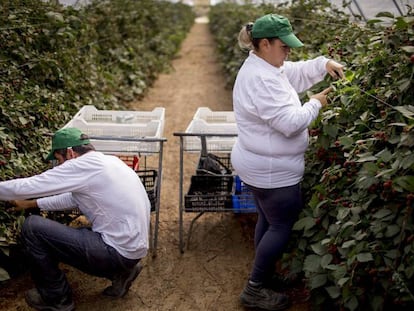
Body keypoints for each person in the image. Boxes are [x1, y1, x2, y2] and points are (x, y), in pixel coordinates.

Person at [231, 14, 344, 310]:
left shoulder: (268, 65)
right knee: (281, 225)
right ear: (265, 44)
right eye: (285, 47)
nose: (289, 53)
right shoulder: (260, 79)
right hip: (271, 170)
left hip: (260, 163)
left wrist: (323, 64)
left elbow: (294, 71)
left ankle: (264, 277)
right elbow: (290, 123)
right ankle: (254, 289)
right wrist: (316, 102)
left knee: (268, 221)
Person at [0, 127, 151, 311]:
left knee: (33, 228)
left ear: (70, 153)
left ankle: (56, 298)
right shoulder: (109, 161)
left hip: (115, 251)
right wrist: (31, 204)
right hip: (133, 249)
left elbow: (29, 185)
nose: (58, 165)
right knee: (74, 233)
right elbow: (73, 199)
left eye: (58, 159)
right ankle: (122, 273)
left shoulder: (81, 165)